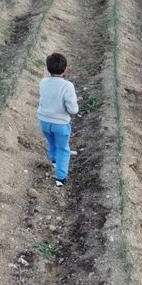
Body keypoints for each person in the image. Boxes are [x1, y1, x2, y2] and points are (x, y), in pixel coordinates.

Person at [37, 53, 79, 187]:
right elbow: (73, 109)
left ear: (48, 68)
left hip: (44, 121)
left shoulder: (43, 82)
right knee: (63, 149)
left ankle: (54, 160)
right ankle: (60, 178)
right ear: (65, 69)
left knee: (51, 142)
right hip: (60, 123)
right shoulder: (67, 86)